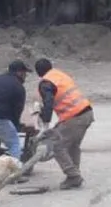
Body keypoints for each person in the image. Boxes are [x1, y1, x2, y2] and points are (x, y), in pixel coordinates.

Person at [34, 58, 94, 190]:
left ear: (38, 73)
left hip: (74, 116)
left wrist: (45, 122)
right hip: (86, 113)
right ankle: (74, 175)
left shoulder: (45, 83)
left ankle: (73, 176)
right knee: (73, 146)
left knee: (56, 145)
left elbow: (48, 102)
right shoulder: (59, 75)